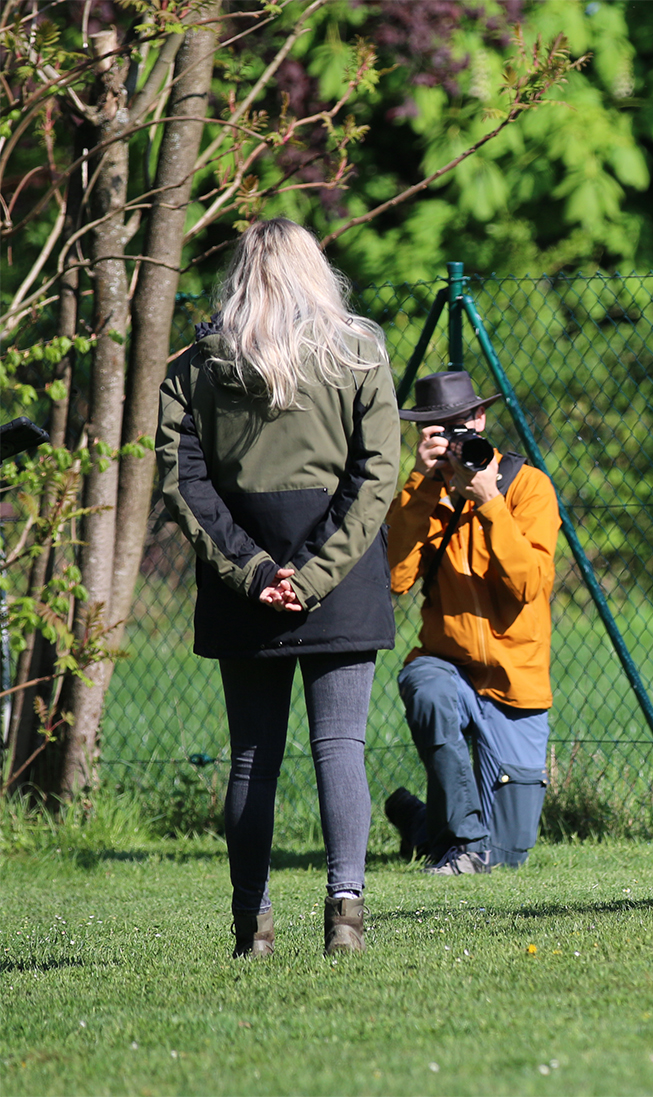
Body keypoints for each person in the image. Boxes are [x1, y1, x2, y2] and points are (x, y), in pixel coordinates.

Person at [156, 217, 400, 957]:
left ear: (240, 278)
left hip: (243, 584)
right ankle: (346, 915)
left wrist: (254, 571)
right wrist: (317, 572)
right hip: (343, 575)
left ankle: (252, 927)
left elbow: (184, 485)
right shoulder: (360, 351)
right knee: (341, 746)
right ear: (315, 272)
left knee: (251, 758)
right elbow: (378, 474)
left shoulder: (195, 368)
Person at [383, 371, 560, 875]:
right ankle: (462, 841)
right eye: (441, 430)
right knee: (427, 688)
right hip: (449, 667)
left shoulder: (528, 487)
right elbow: (394, 579)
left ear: (481, 419)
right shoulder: (426, 495)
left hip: (515, 682)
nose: (456, 438)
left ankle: (419, 822)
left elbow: (529, 586)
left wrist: (490, 504)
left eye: (461, 424)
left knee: (507, 858)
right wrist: (420, 486)